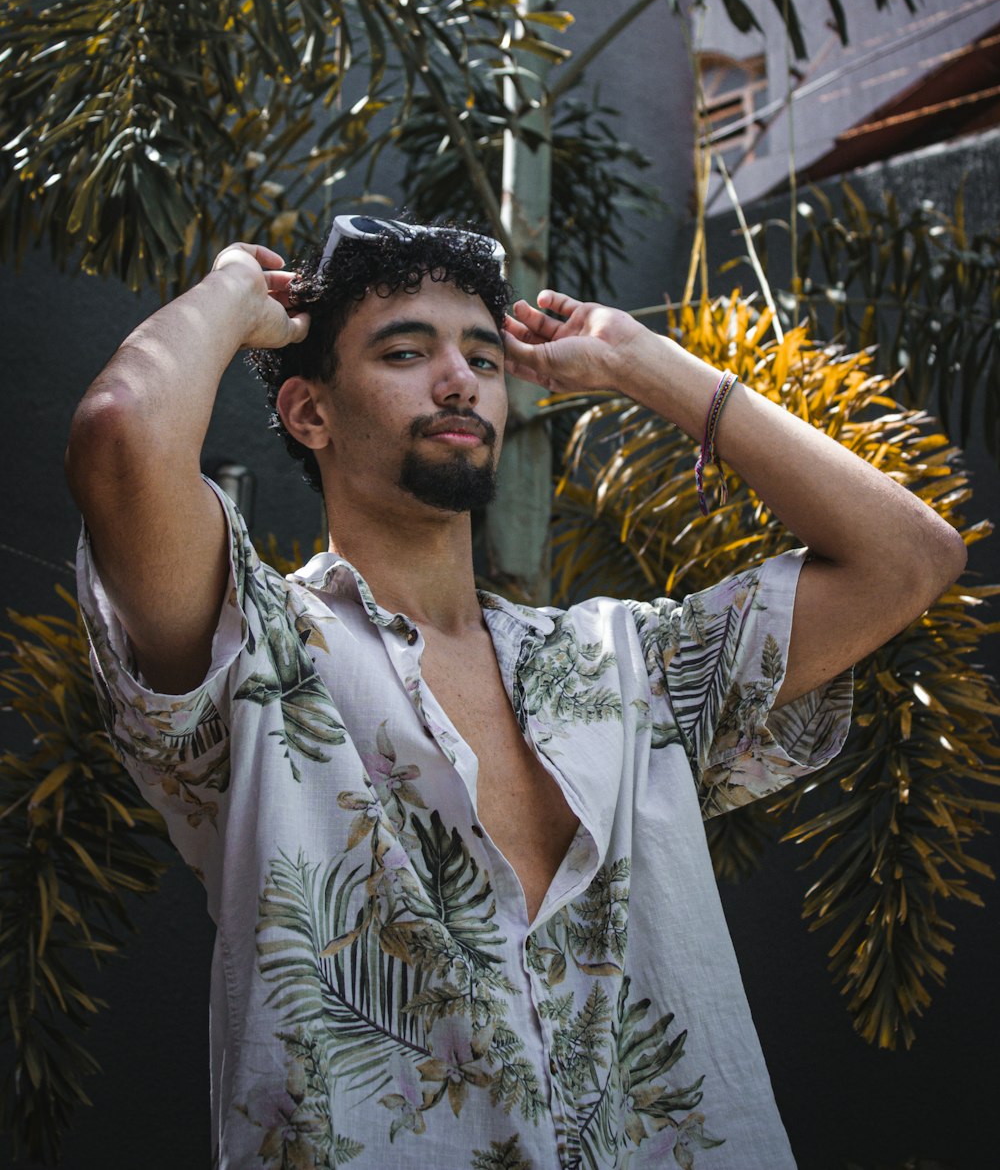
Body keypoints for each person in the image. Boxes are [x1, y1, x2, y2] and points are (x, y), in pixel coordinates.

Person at [67, 217, 965, 1170]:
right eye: (407, 351)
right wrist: (230, 296)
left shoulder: (623, 665)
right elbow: (121, 433)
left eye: (484, 358)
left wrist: (641, 363)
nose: (460, 380)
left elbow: (909, 557)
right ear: (309, 414)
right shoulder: (257, 651)